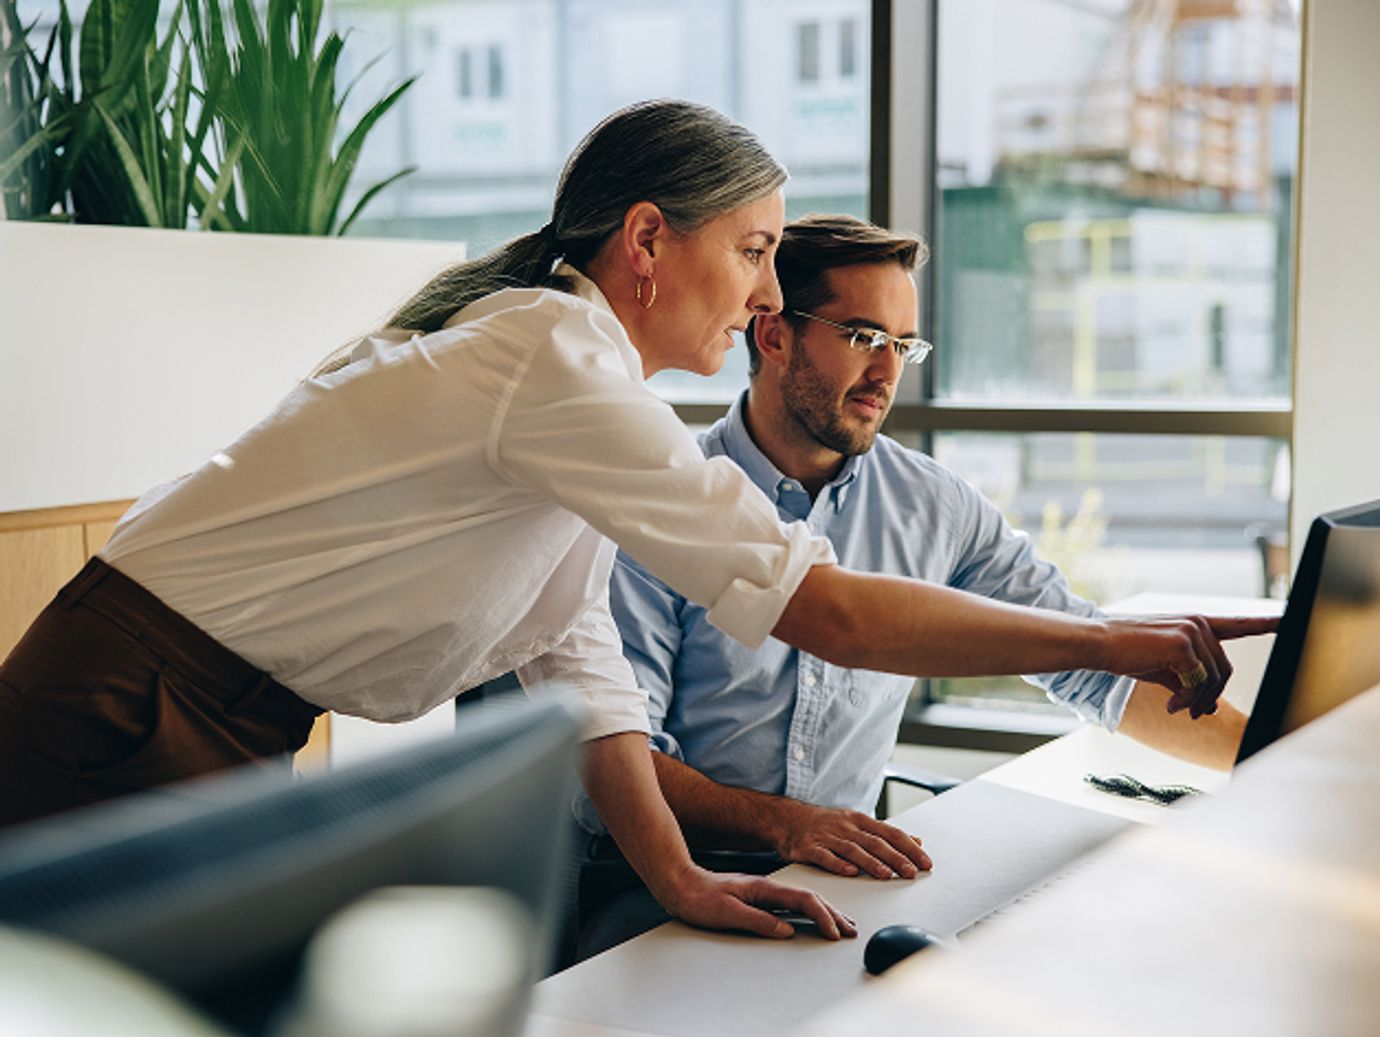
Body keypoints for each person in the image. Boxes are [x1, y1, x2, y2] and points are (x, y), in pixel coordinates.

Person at [0, 102, 1270, 944]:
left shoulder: (578, 393)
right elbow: (821, 606)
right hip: (134, 698)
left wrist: (682, 879)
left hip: (210, 707)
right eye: (757, 250)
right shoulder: (553, 359)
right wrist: (1113, 643)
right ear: (650, 241)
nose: (770, 291)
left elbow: (578, 663)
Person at [572, 214, 1262, 953]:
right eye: (865, 337)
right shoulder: (663, 498)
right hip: (662, 880)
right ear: (773, 334)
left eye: (904, 345)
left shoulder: (932, 505)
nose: (888, 373)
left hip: (843, 879)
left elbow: (1093, 667)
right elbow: (618, 754)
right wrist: (789, 822)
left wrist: (1270, 765)